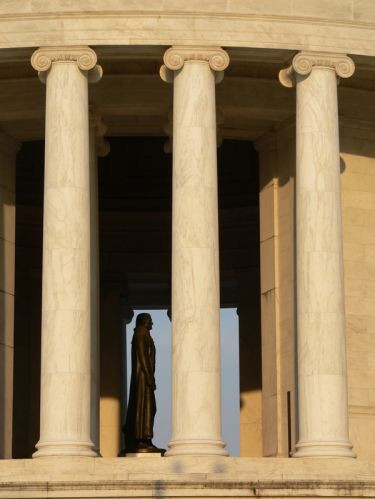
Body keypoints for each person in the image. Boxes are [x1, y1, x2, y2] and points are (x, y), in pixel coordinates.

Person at [123, 313, 162, 453]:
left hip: (145, 377)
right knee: (144, 406)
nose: (152, 323)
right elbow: (143, 357)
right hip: (143, 378)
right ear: (143, 321)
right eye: (150, 321)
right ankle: (142, 439)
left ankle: (146, 439)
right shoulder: (140, 335)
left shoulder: (144, 334)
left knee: (149, 407)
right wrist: (149, 377)